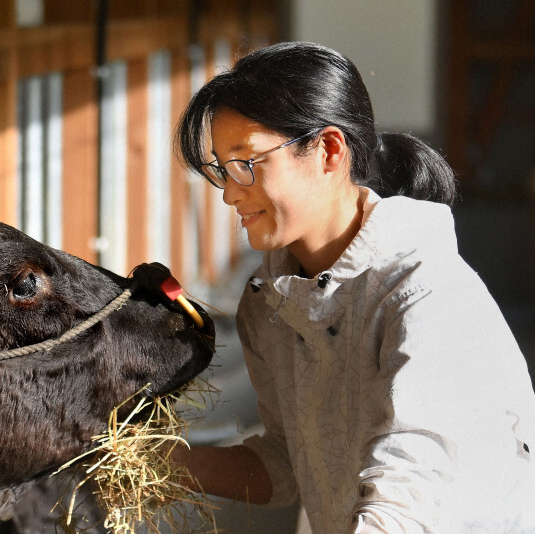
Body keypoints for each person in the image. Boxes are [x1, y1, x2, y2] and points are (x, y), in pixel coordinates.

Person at [171, 41, 535, 533]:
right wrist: (158, 463)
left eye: (248, 163)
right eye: (221, 168)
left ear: (328, 151)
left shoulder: (426, 298)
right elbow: (287, 463)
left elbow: (406, 505)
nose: (232, 192)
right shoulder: (269, 302)